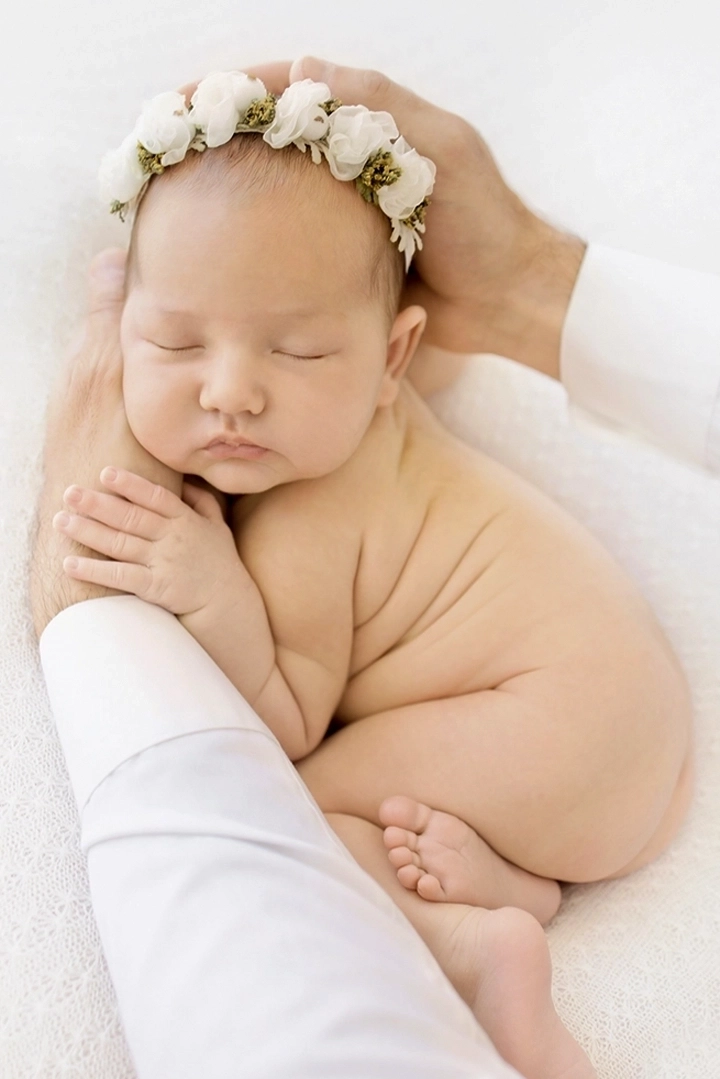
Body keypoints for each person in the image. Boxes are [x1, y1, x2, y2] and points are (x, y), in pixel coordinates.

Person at [29, 56, 719, 1079]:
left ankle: (469, 947)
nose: (230, 393)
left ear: (392, 359)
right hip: (624, 745)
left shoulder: (314, 508)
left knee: (289, 800)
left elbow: (290, 712)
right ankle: (510, 879)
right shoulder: (371, 414)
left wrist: (210, 585)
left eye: (297, 353)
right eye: (173, 342)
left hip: (553, 718)